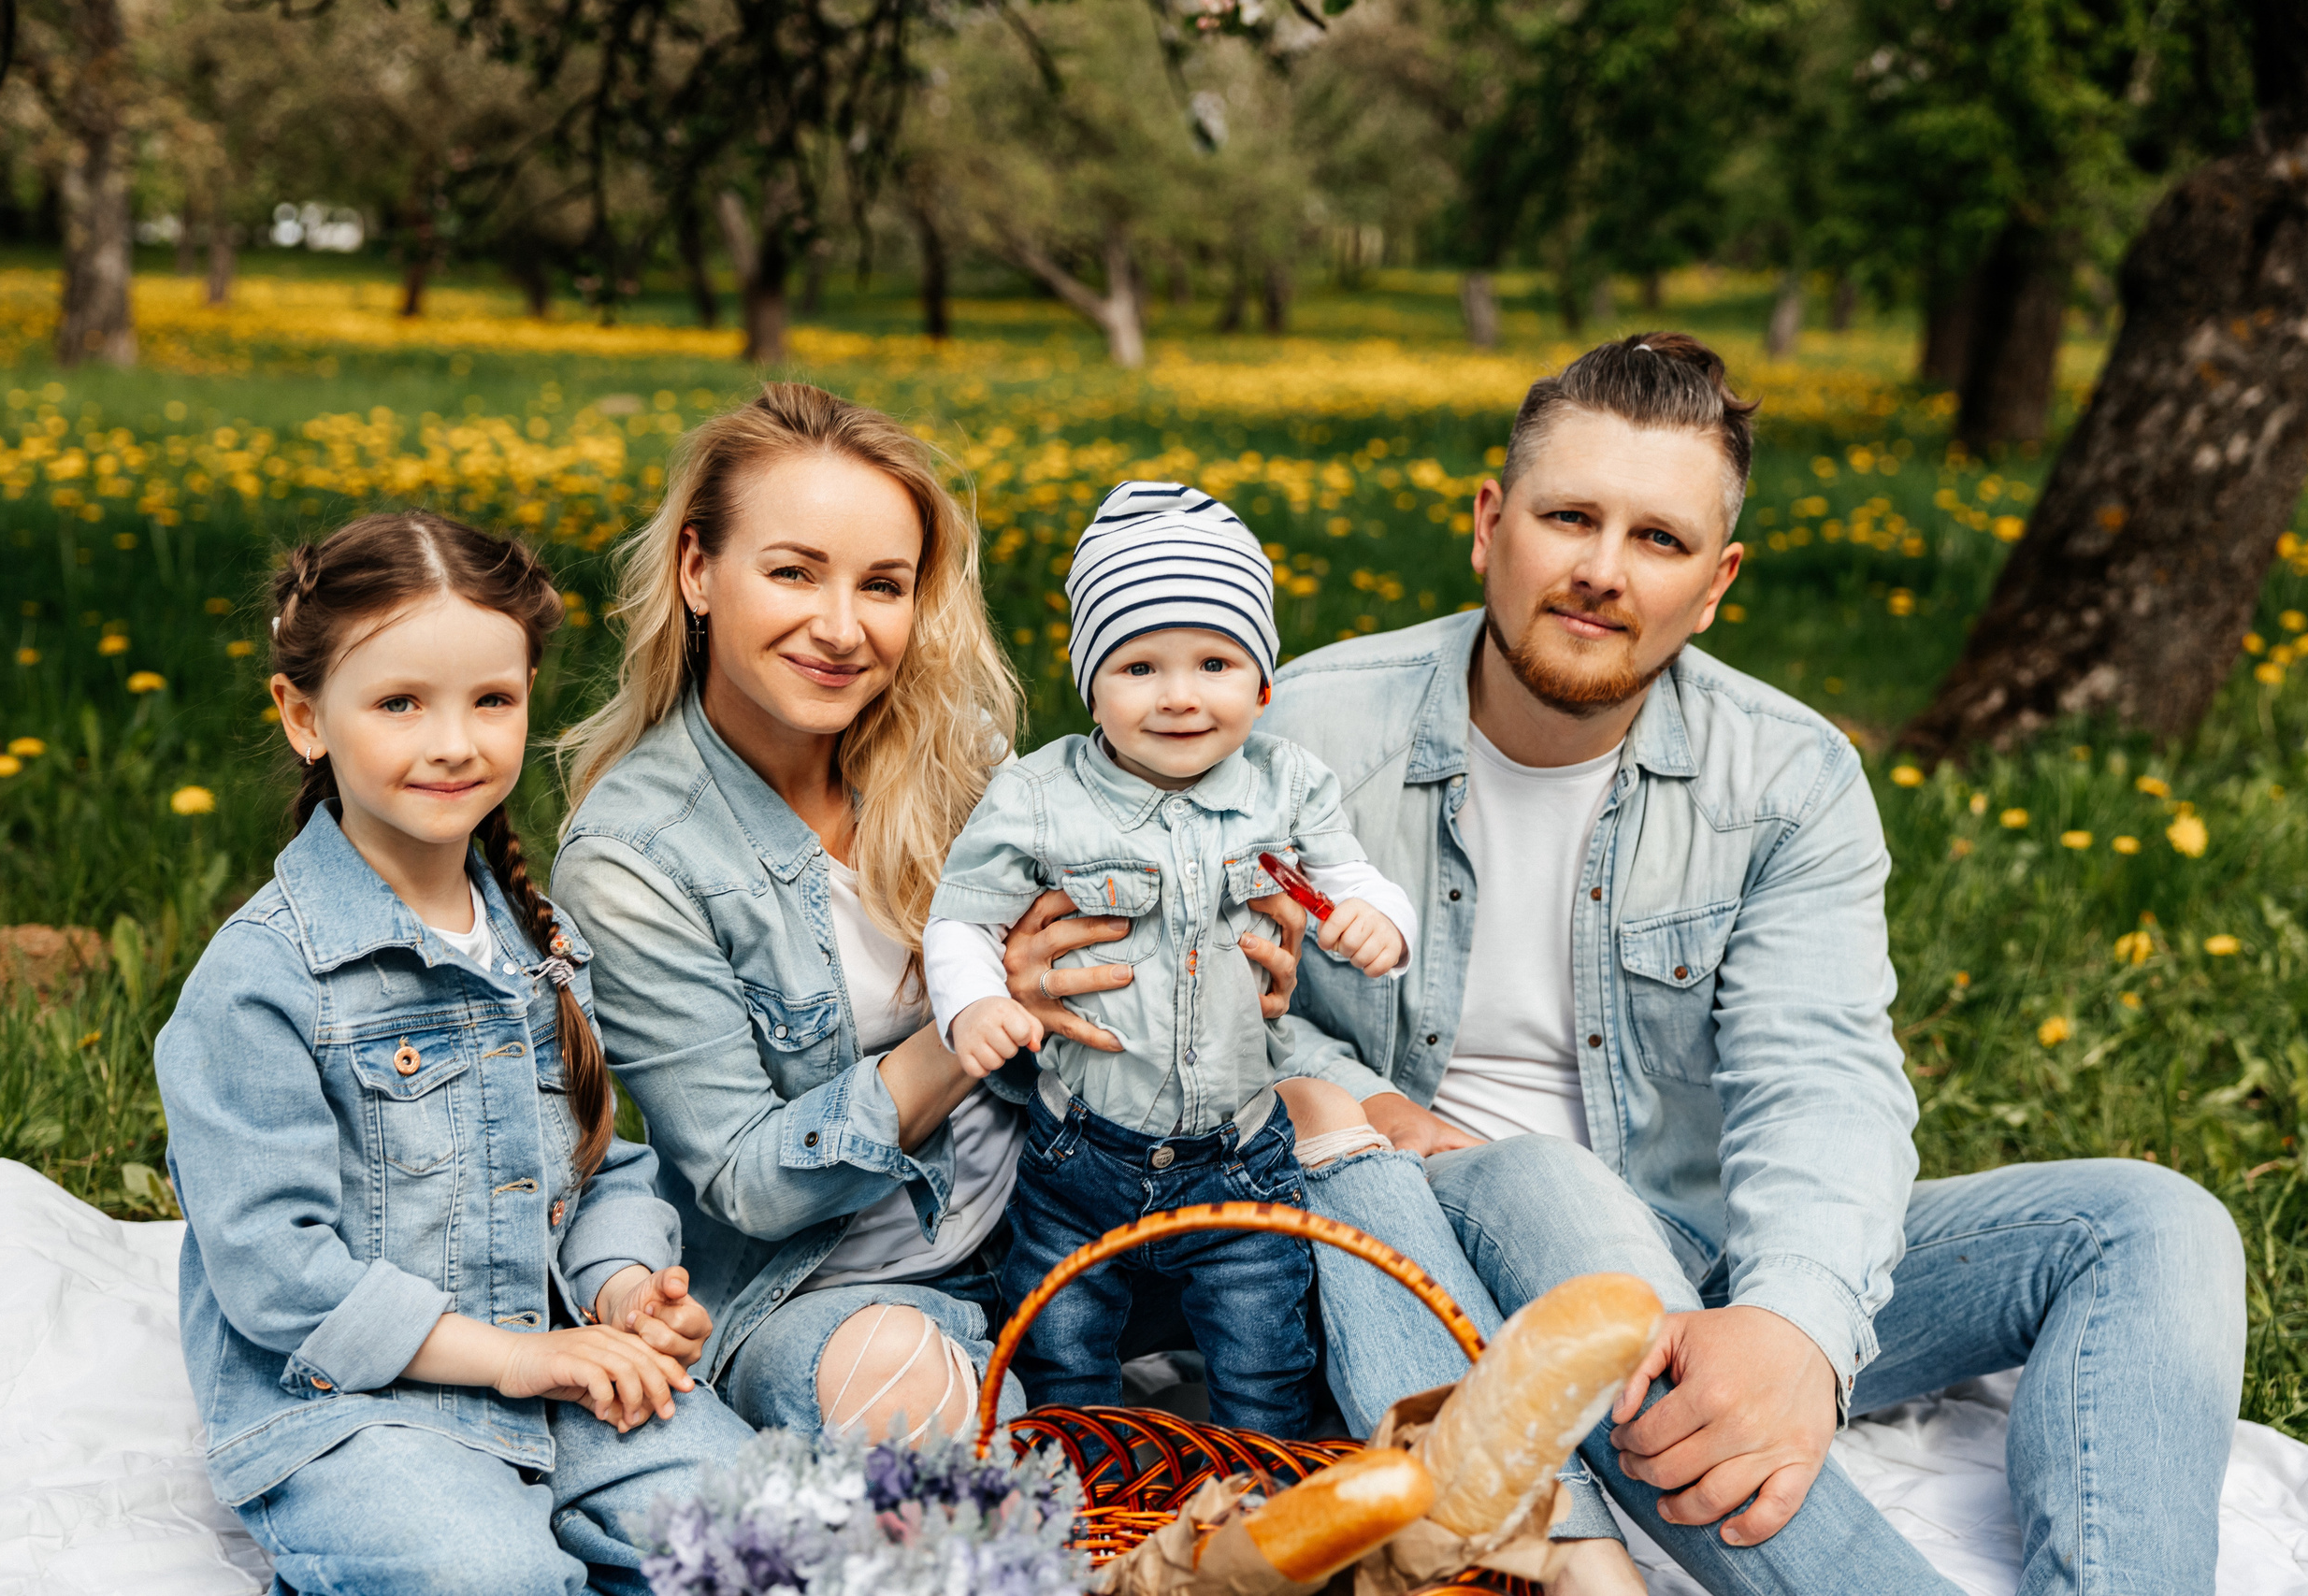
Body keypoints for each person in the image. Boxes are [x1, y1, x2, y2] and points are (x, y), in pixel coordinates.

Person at [1246, 331, 2248, 1596]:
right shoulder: (1300, 736)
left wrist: (1789, 1328)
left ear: (1714, 584)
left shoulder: (1788, 777)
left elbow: (1822, 1071)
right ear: (1490, 524)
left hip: (1699, 1257)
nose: (1601, 571)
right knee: (1559, 1191)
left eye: (1657, 539)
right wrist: (1374, 1103)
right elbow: (1206, 1009)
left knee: (2153, 1219)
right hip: (1427, 1256)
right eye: (1569, 517)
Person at [549, 387, 1320, 1445]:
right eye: (792, 572)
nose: (840, 627)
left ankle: (1478, 1517)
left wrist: (1235, 956)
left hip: (1072, 1213)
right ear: (696, 570)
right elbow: (745, 1183)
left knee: (1341, 1169)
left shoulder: (962, 760)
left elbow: (1121, 954)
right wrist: (975, 1019)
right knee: (905, 1387)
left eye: (882, 585)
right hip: (833, 1290)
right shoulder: (634, 856)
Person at [156, 512, 749, 1596]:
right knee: (486, 1575)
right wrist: (518, 1359)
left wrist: (619, 1294)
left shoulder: (535, 938)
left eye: (493, 700)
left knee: (771, 1533)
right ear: (303, 717)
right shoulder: (262, 982)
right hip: (350, 1409)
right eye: (398, 704)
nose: (454, 742)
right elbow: (277, 1275)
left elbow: (602, 1160)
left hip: (553, 1368)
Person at [922, 482, 1414, 1432]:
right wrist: (974, 1005)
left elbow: (1353, 879)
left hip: (1238, 1152)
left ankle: (1250, 1527)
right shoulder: (1037, 797)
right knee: (1063, 1351)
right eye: (1139, 667)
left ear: (1263, 684)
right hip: (1079, 1156)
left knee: (1264, 1357)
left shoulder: (1287, 786)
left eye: (1216, 663)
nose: (1180, 695)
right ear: (1091, 685)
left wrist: (1373, 921)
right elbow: (962, 921)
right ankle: (1089, 1519)